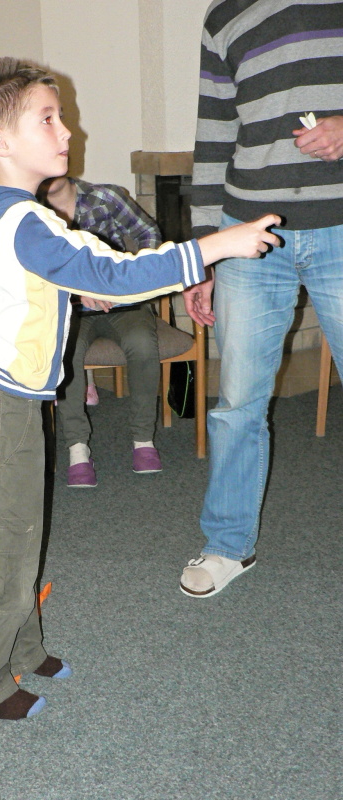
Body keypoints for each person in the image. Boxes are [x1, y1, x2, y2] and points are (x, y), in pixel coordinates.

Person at [0, 56, 279, 721]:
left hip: (3, 398)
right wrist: (217, 245)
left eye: (61, 116)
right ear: (0, 141)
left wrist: (59, 288)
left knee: (20, 532)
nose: (67, 130)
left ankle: (22, 649)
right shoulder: (28, 222)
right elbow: (118, 273)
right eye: (47, 119)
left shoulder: (0, 212)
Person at [180, 0, 343, 599]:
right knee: (237, 403)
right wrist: (205, 254)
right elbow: (213, 138)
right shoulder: (223, 15)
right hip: (248, 232)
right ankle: (228, 545)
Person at [39, 175, 163, 487]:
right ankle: (77, 448)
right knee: (66, 351)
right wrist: (75, 292)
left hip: (122, 301)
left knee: (142, 344)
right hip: (73, 309)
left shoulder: (105, 197)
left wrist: (133, 278)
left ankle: (143, 440)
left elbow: (149, 233)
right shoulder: (30, 210)